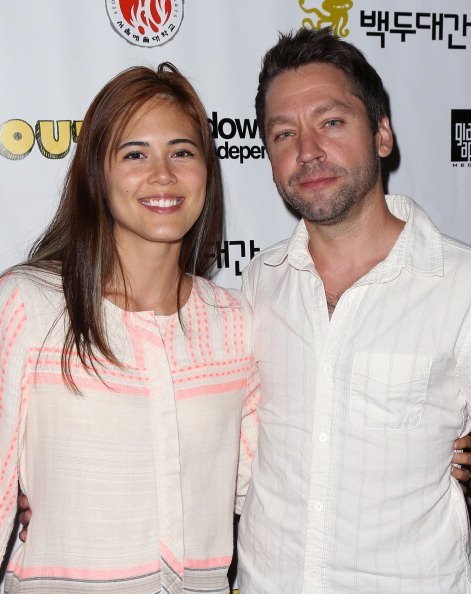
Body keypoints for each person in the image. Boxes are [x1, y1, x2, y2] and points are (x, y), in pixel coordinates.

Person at [0, 63, 258, 593]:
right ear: (98, 172)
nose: (162, 175)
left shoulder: (236, 324)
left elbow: (272, 483)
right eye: (135, 153)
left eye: (182, 152)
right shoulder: (29, 305)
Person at [237, 27, 471, 593]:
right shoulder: (257, 284)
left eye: (332, 122)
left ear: (383, 134)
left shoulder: (461, 285)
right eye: (284, 133)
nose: (308, 151)